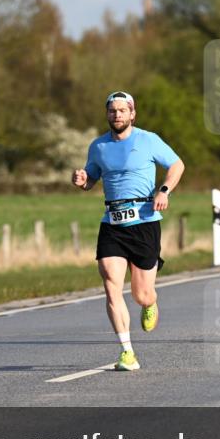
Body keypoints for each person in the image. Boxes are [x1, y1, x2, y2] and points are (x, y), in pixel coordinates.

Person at [72, 91, 185, 371]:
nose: (117, 115)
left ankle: (150, 303)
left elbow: (177, 165)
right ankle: (127, 352)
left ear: (132, 113)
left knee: (141, 294)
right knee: (111, 282)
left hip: (144, 221)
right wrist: (82, 179)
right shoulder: (98, 146)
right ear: (107, 114)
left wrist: (164, 190)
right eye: (112, 111)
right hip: (112, 222)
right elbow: (90, 179)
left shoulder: (148, 140)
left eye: (123, 111)